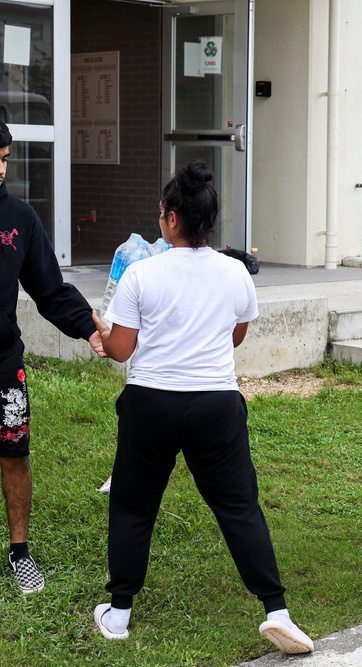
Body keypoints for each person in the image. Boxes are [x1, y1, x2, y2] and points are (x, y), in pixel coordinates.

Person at [90, 161, 313, 654]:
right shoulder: (235, 272)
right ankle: (277, 611)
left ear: (170, 219)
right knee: (239, 507)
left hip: (150, 403)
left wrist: (101, 333)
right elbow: (235, 334)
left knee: (132, 505)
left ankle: (119, 612)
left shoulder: (140, 274)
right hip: (216, 405)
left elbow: (122, 350)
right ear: (210, 221)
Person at [0, 121, 106, 594]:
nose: (0, 169)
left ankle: (19, 552)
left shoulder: (20, 219)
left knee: (14, 452)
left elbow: (49, 289)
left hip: (3, 361)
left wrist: (88, 327)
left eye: (4, 159)